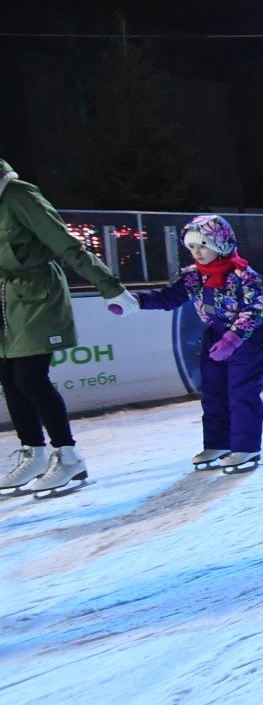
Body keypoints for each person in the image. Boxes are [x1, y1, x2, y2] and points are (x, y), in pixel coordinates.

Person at [0, 158, 139, 497]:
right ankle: (34, 453)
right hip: (6, 300)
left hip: (37, 295)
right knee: (8, 377)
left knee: (29, 377)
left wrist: (109, 286)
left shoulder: (20, 195)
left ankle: (68, 456)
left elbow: (65, 243)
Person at [118, 215, 263, 475]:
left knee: (241, 393)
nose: (197, 252)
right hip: (214, 336)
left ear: (221, 243)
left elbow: (255, 310)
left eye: (203, 245)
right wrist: (135, 301)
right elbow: (169, 297)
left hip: (245, 340)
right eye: (191, 246)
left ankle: (246, 447)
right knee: (213, 394)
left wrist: (232, 339)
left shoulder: (244, 275)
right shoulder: (193, 277)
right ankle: (218, 444)